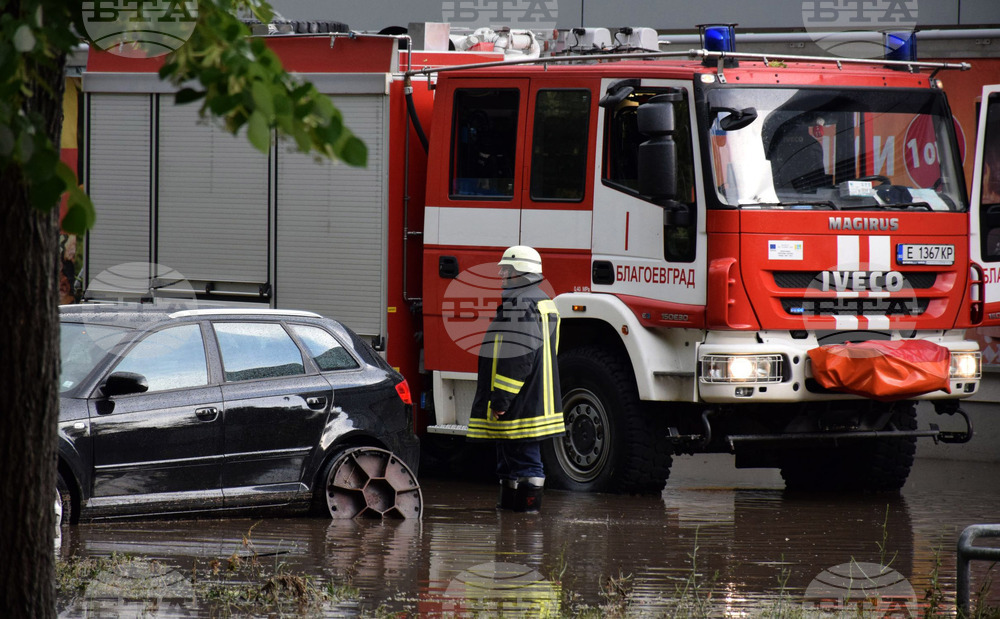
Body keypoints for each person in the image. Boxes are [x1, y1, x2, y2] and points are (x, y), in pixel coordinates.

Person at [468, 246, 565, 513]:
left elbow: (517, 359)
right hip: (534, 398)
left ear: (520, 272)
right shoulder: (543, 301)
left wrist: (501, 400)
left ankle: (526, 534)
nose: (500, 273)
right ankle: (511, 528)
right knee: (509, 463)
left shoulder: (520, 304)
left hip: (520, 403)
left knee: (525, 462)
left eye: (506, 269)